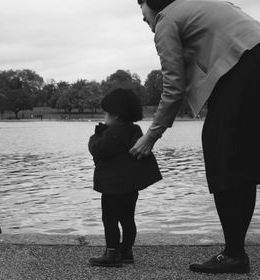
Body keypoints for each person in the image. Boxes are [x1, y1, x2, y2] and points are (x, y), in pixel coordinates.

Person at [131, 0, 260, 274]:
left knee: (220, 156)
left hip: (243, 69)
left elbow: (173, 85)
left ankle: (234, 254)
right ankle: (235, 252)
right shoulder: (197, 4)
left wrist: (151, 136)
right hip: (253, 61)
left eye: (140, 6)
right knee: (244, 163)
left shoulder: (166, 19)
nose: (142, 17)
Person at [88, 88, 162, 267]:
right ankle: (126, 250)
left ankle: (112, 253)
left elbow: (98, 150)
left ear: (116, 115)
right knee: (128, 219)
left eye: (106, 113)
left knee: (110, 219)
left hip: (112, 187)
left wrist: (96, 135)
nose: (104, 116)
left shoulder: (114, 133)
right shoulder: (135, 131)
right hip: (130, 187)